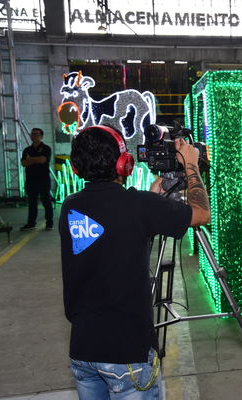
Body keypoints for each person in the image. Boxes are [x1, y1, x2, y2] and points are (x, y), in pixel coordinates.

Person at [59, 125, 210, 399]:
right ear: (123, 163)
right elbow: (201, 213)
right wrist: (191, 164)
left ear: (76, 167)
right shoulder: (139, 206)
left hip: (83, 351)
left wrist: (153, 202)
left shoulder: (70, 207)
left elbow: (115, 231)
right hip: (126, 353)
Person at [20, 127, 53, 231]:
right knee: (32, 203)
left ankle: (49, 223)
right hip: (31, 180)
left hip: (43, 179)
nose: (34, 136)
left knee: (46, 201)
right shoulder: (27, 150)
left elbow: (43, 160)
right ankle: (31, 224)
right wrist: (35, 159)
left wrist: (30, 159)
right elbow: (23, 163)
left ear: (41, 136)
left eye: (37, 134)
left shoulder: (46, 148)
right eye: (32, 134)